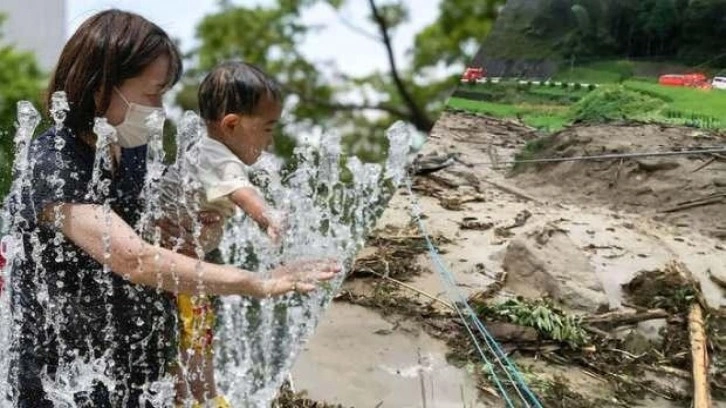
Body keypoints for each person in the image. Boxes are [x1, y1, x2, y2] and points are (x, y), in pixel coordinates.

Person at [5, 9, 339, 408]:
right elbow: (134, 259)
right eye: (152, 93)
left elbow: (162, 229)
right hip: (64, 384)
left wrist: (193, 225)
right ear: (101, 85)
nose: (160, 108)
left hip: (138, 376)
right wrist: (258, 281)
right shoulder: (54, 164)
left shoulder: (132, 151)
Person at [157, 61, 287, 408]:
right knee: (192, 340)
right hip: (178, 264)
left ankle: (198, 398)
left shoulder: (211, 150)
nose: (271, 140)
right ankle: (201, 400)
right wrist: (267, 217)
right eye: (267, 129)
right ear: (232, 124)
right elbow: (243, 193)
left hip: (185, 260)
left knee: (193, 338)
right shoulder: (217, 157)